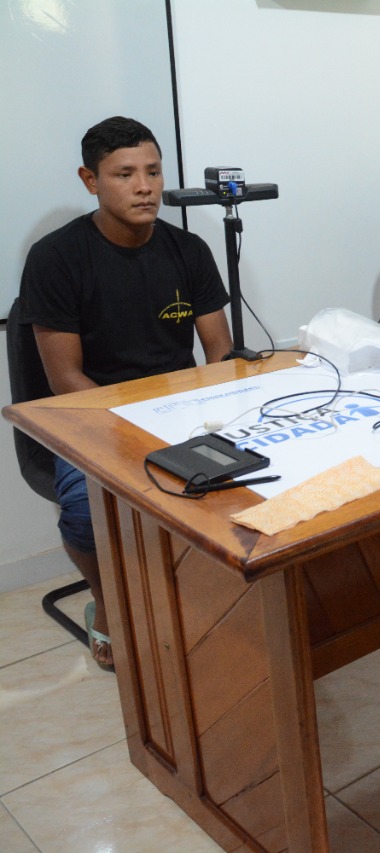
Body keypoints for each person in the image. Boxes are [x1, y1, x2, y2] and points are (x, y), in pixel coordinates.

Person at [17, 116, 232, 671]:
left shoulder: (189, 249)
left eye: (154, 172)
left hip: (183, 411)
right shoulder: (56, 258)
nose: (145, 187)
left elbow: (219, 352)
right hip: (90, 419)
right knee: (86, 513)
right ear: (90, 180)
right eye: (125, 174)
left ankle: (208, 592)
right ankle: (108, 603)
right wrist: (141, 436)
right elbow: (66, 381)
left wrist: (233, 409)